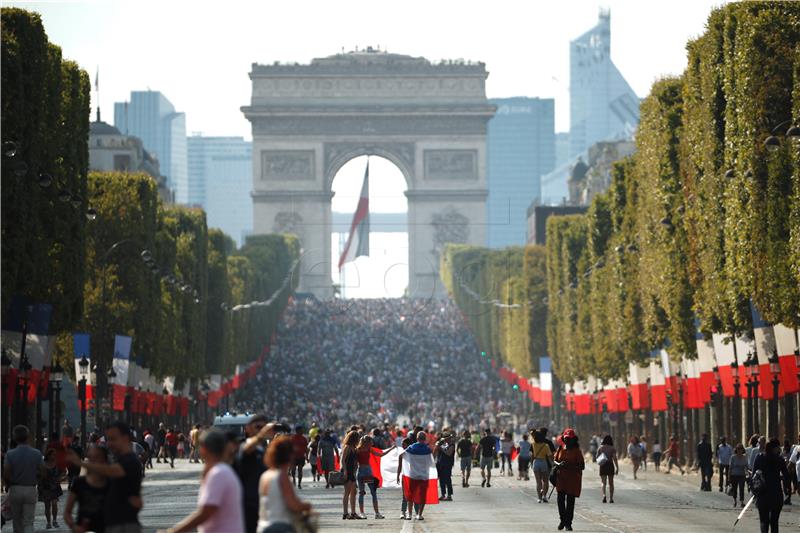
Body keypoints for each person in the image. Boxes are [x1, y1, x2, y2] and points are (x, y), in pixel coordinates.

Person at [161, 429, 244, 533]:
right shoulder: (222, 470)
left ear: (204, 449)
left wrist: (174, 531)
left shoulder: (218, 474)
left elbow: (206, 512)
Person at [67, 421, 143, 533]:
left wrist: (81, 463)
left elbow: (113, 471)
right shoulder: (119, 461)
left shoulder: (130, 461)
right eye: (108, 439)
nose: (109, 444)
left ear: (125, 438)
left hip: (125, 526)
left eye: (113, 439)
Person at [256, 436, 312, 533]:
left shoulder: (265, 475)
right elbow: (293, 504)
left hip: (263, 525)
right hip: (280, 526)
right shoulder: (282, 476)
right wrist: (307, 506)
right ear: (289, 456)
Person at [234, 414, 276, 533]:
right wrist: (261, 435)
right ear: (247, 428)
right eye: (258, 427)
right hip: (246, 504)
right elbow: (246, 449)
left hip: (262, 505)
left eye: (264, 427)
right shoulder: (241, 444)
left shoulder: (263, 449)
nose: (262, 430)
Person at [3, 425, 44, 533]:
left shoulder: (10, 454)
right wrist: (36, 477)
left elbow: (6, 473)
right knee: (28, 521)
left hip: (15, 488)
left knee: (17, 521)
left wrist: (8, 484)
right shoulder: (36, 453)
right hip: (30, 488)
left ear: (15, 438)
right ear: (28, 437)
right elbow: (43, 472)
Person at [64, 444, 109, 533]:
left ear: (105, 459)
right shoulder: (79, 482)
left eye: (97, 457)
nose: (93, 460)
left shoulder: (111, 483)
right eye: (90, 457)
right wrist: (73, 526)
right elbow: (67, 513)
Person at [752, 438, 790, 533]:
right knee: (774, 522)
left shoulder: (759, 457)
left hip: (762, 493)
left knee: (763, 521)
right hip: (776, 495)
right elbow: (786, 476)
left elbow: (754, 476)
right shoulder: (780, 460)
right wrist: (787, 488)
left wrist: (753, 490)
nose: (779, 449)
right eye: (778, 447)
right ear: (775, 448)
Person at [355, 434, 395, 518]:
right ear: (367, 442)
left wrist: (391, 449)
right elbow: (380, 454)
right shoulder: (360, 450)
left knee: (367, 492)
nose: (372, 443)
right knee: (367, 492)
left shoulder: (361, 449)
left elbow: (380, 455)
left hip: (363, 471)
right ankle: (369, 513)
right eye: (371, 441)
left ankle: (370, 513)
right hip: (366, 471)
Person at [554, 428, 584, 531]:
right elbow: (555, 461)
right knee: (560, 500)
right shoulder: (560, 449)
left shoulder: (577, 451)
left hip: (572, 480)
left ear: (573, 440)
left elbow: (582, 466)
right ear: (563, 439)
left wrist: (571, 466)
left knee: (570, 502)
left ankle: (568, 523)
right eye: (566, 438)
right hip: (561, 479)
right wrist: (559, 464)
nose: (568, 441)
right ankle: (562, 520)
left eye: (570, 439)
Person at [38, 448, 65, 529]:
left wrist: (61, 478)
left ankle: (55, 520)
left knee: (54, 503)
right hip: (45, 487)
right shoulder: (43, 464)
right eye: (52, 454)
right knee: (47, 506)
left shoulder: (57, 464)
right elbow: (38, 474)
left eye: (55, 455)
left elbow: (65, 472)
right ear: (48, 455)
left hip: (55, 487)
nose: (54, 456)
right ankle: (48, 522)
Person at [340, 430, 360, 520]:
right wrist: (345, 471)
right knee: (347, 492)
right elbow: (343, 460)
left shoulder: (354, 448)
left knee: (354, 492)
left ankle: (353, 512)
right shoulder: (347, 447)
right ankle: (345, 513)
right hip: (347, 471)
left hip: (352, 472)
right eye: (357, 438)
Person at [597, 435, 619, 503]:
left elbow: (597, 457)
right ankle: (611, 498)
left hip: (603, 465)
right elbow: (614, 458)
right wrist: (617, 467)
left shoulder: (600, 448)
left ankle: (604, 495)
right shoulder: (612, 448)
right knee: (611, 483)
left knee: (603, 482)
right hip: (610, 465)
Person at [434, 433, 455, 501]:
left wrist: (441, 448)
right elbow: (435, 451)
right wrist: (438, 445)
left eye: (449, 438)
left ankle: (449, 495)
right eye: (447, 438)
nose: (448, 439)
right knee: (441, 480)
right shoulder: (440, 444)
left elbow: (449, 453)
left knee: (448, 480)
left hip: (448, 464)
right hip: (440, 464)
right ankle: (443, 495)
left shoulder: (451, 445)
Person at [729, 443, 749, 508]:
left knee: (741, 488)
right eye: (738, 449)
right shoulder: (733, 457)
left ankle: (742, 501)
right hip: (734, 475)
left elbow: (747, 466)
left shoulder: (744, 457)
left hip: (742, 475)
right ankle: (735, 500)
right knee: (735, 489)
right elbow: (730, 467)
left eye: (741, 449)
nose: (739, 450)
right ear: (736, 449)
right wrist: (729, 477)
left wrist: (748, 471)